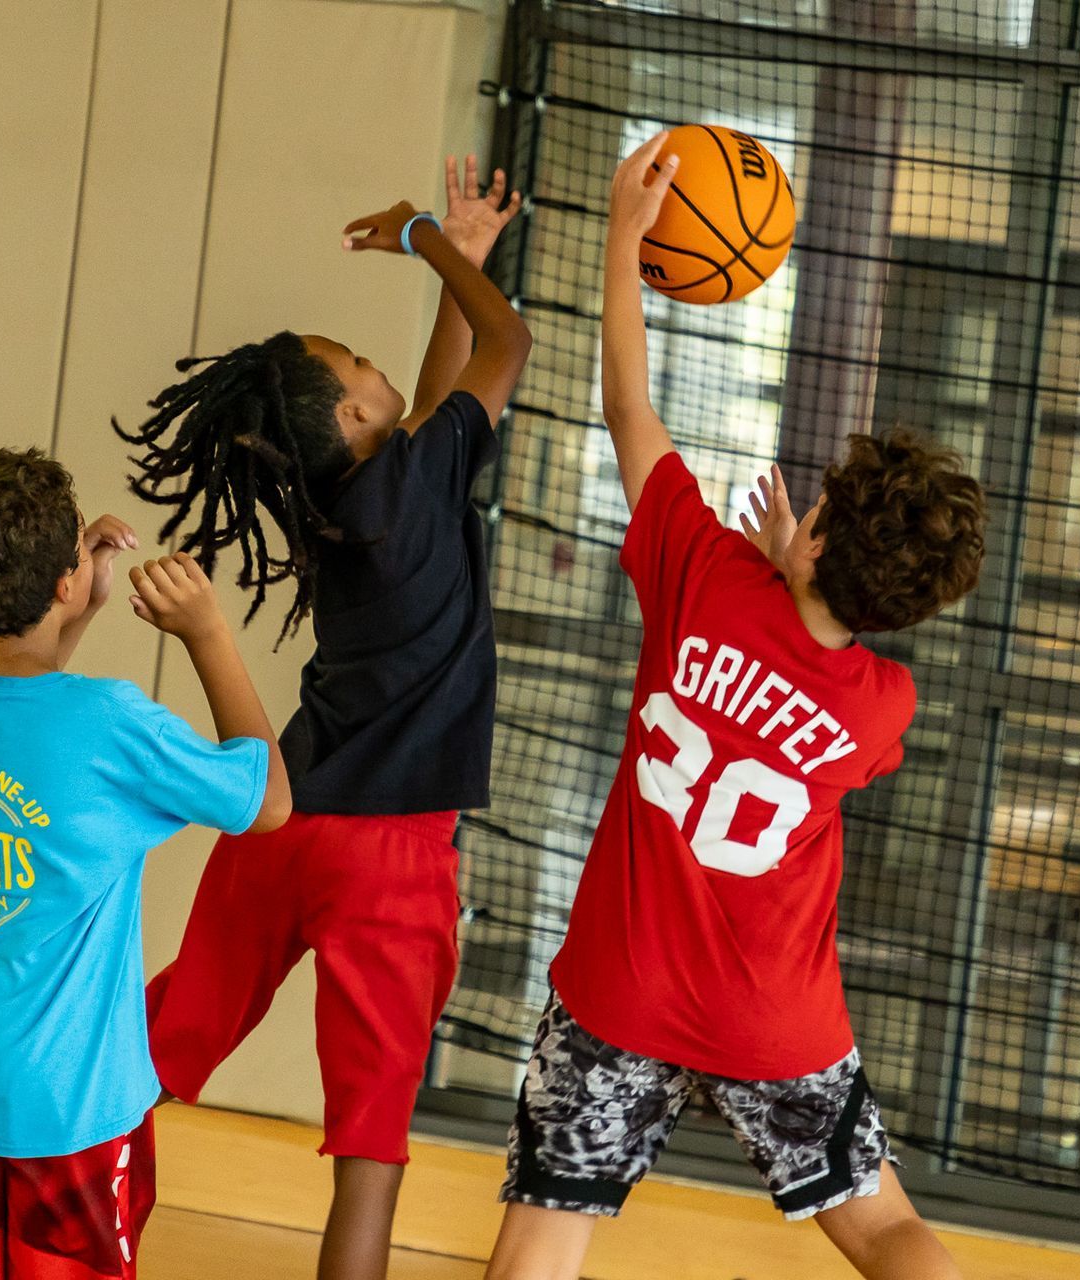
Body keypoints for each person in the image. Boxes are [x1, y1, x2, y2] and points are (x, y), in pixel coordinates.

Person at [483, 133, 987, 1280]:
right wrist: (796, 575)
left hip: (621, 991)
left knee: (542, 1241)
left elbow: (628, 407)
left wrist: (623, 235)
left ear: (812, 531)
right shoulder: (881, 704)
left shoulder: (702, 573)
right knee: (887, 1228)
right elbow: (808, 673)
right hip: (778, 1017)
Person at [118, 159, 531, 1280]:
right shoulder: (408, 482)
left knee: (154, 1050)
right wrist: (428, 244)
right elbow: (508, 351)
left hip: (283, 823)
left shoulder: (328, 500)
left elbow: (443, 410)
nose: (373, 361)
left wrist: (464, 257)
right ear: (354, 411)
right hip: (393, 856)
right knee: (369, 1153)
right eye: (358, 364)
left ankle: (62, 1222)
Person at [0, 447, 291, 1280]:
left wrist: (76, 602)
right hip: (70, 1108)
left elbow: (23, 700)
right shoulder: (110, 723)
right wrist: (206, 630)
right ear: (65, 583)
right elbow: (266, 800)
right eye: (79, 550)